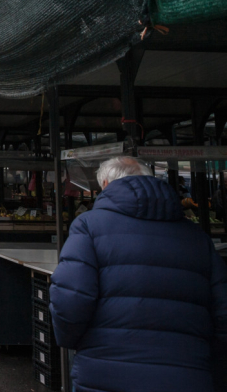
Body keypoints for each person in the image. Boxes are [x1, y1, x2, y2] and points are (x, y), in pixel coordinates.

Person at [50, 157, 227, 392]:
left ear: (104, 184)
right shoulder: (196, 237)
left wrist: (72, 341)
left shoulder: (89, 225)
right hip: (186, 371)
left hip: (107, 372)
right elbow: (222, 311)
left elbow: (70, 299)